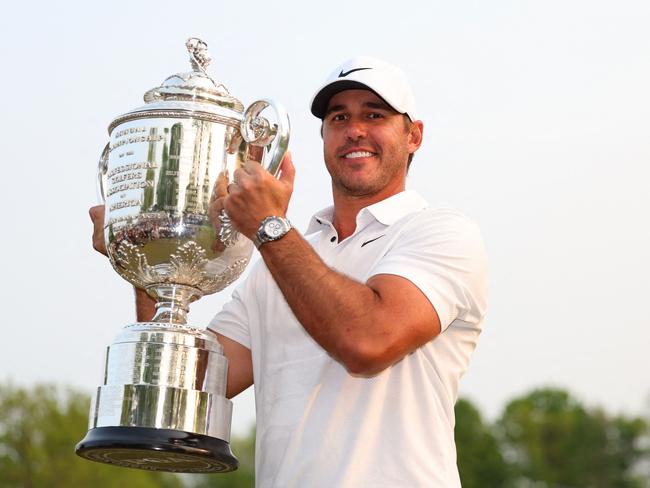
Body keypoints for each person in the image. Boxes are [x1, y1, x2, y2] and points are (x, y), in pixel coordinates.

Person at [91, 56, 488, 487]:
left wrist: (268, 226)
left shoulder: (441, 233)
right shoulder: (275, 268)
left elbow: (368, 342)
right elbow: (191, 386)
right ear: (323, 137)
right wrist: (149, 245)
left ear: (414, 136)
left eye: (374, 115)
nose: (355, 130)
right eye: (339, 117)